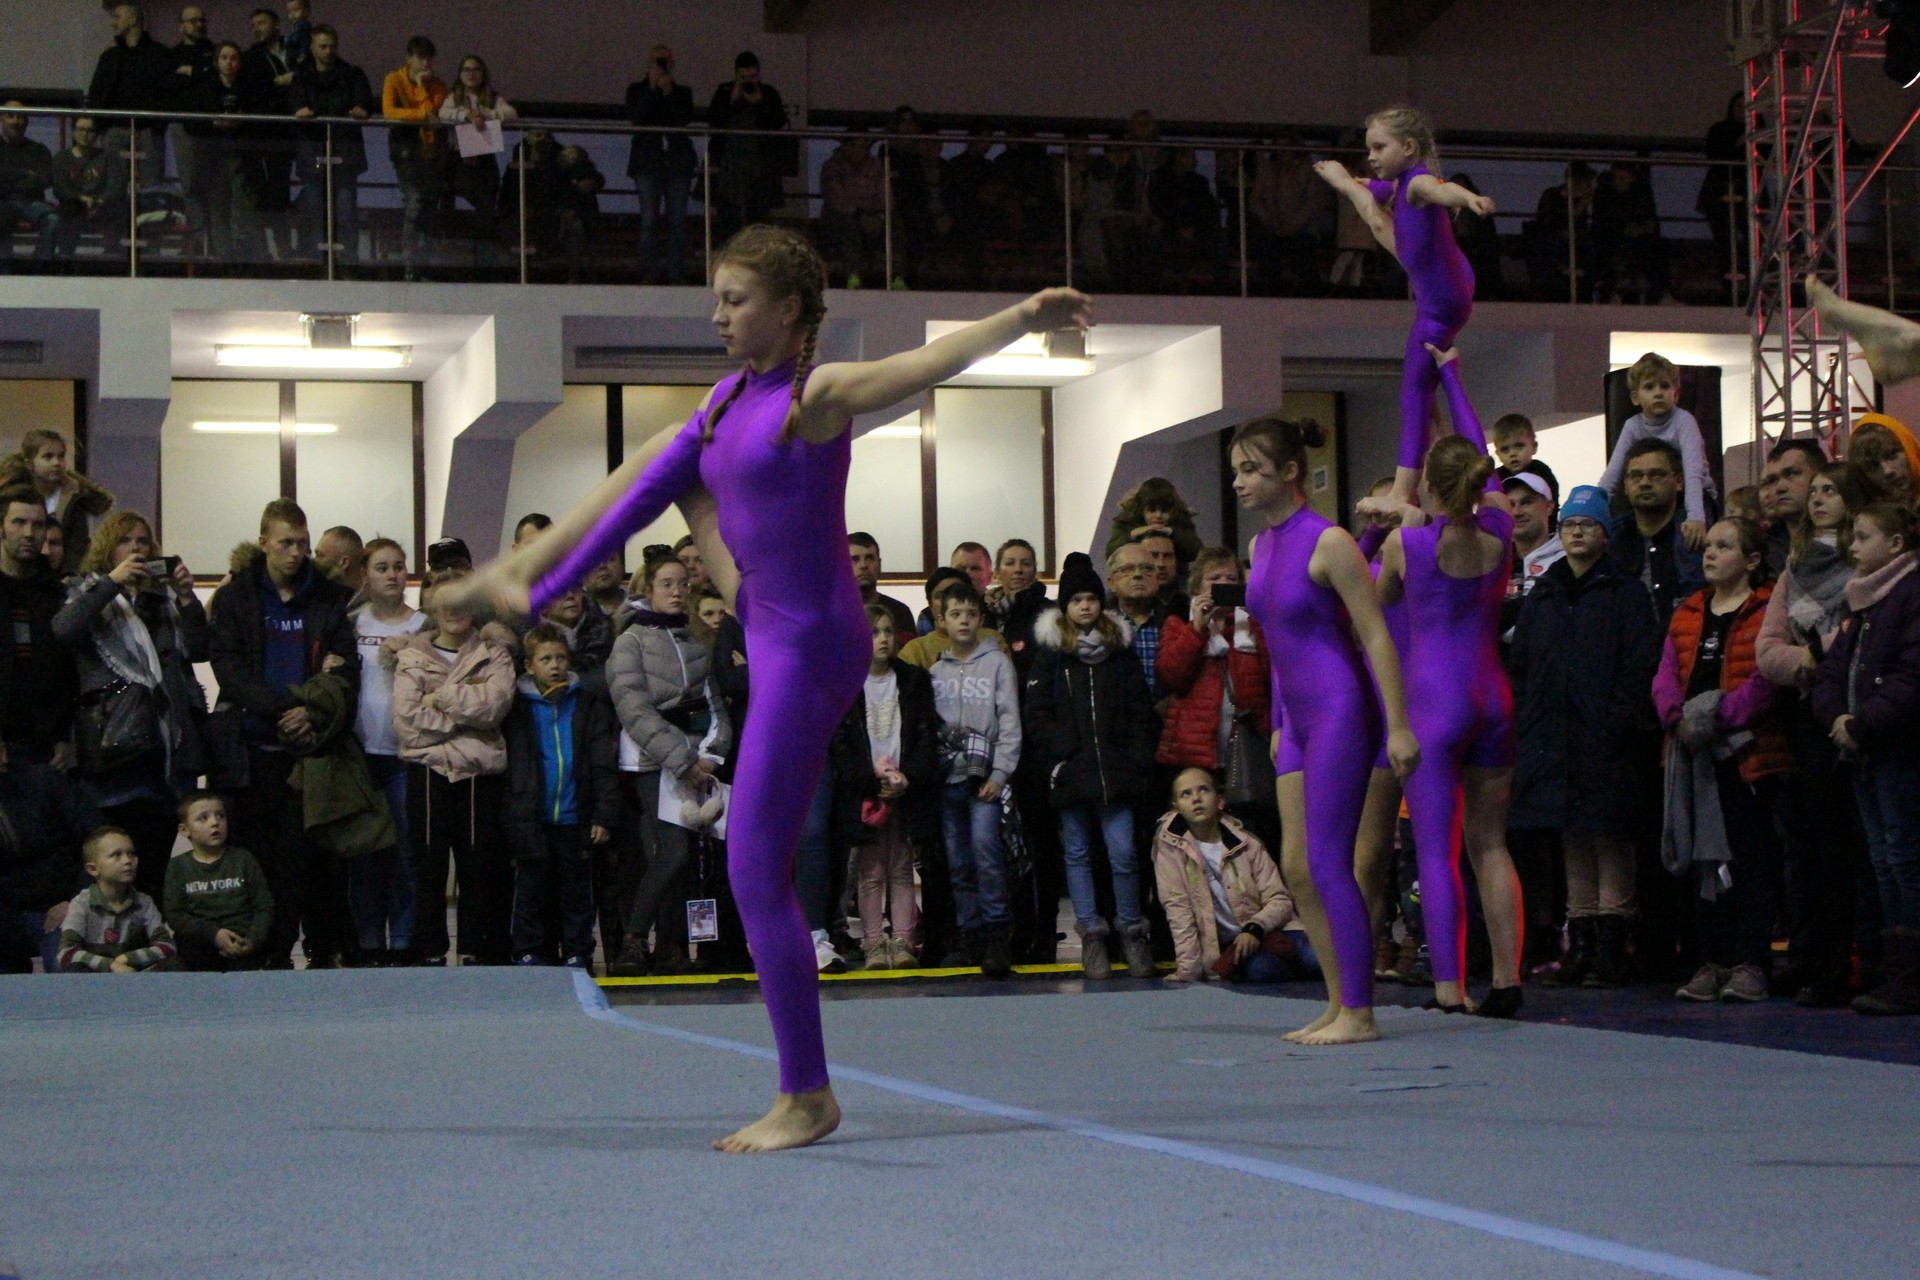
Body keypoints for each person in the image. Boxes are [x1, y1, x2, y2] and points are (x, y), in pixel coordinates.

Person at [447, 222, 1086, 1150]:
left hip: (809, 642)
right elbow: (674, 498)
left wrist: (1023, 317)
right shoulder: (726, 398)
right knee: (668, 452)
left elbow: (921, 366)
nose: (717, 315)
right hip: (761, 607)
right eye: (715, 298)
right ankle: (531, 577)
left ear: (787, 311)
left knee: (753, 867)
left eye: (734, 300)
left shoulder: (810, 398)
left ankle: (807, 1094)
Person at [1234, 415, 1419, 1045]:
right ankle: (1339, 1001)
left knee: (1328, 861)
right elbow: (1276, 640)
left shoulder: (1330, 542)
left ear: (1290, 472)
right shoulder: (1261, 545)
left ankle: (1361, 1013)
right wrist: (1279, 719)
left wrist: (1398, 725)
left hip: (1340, 708)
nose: (1239, 482)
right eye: (1236, 471)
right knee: (1296, 866)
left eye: (1251, 470)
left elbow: (1375, 636)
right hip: (1296, 717)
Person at [1373, 352, 1524, 1017]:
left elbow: (1378, 605)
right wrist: (1454, 374)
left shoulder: (1408, 547)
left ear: (1429, 489)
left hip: (1435, 703)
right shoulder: (1501, 529)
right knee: (1491, 843)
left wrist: (1384, 526)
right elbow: (1477, 453)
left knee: (1437, 849)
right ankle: (1508, 980)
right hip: (1493, 697)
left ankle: (1449, 987)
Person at [1508, 485, 1661, 988]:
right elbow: (1523, 664)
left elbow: (1639, 666)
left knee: (1609, 837)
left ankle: (1613, 943)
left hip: (1607, 738)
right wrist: (1530, 722)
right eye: (1570, 524)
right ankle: (1582, 942)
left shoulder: (1626, 594)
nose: (1577, 532)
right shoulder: (1545, 594)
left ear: (1605, 534)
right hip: (1554, 736)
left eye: (1588, 524)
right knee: (1571, 837)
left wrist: (1618, 721)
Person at [1314, 105, 1493, 512]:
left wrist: (1470, 198)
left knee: (1413, 391)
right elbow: (1376, 187)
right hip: (1447, 282)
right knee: (1372, 204)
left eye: (1380, 147)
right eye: (1369, 148)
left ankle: (1401, 492)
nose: (1372, 156)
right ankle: (1422, 465)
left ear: (1409, 147)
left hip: (1441, 302)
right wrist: (1355, 181)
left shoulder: (1418, 184)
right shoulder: (1400, 184)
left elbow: (1443, 190)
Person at [209, 499, 357, 968]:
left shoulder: (328, 599)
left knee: (308, 862)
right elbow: (228, 668)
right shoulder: (236, 598)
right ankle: (265, 954)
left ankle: (314, 951)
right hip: (253, 750)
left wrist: (313, 711)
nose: (296, 553)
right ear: (263, 543)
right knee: (258, 861)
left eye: (303, 544)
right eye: (286, 543)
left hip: (311, 750)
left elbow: (346, 670)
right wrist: (283, 708)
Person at [1756, 461, 1880, 1006]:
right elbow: (1767, 651)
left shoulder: (1869, 565)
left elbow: (1863, 633)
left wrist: (1820, 650)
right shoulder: (1794, 568)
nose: (1818, 498)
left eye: (1831, 490)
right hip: (1808, 719)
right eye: (1817, 491)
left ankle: (1866, 963)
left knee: (1862, 849)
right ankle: (1821, 961)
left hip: (1861, 717)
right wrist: (1809, 658)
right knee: (1816, 848)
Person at [1656, 517, 1792, 1004]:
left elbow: (1765, 679)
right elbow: (1665, 674)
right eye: (1708, 545)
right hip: (1694, 754)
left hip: (1746, 755)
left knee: (1750, 859)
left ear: (1752, 561)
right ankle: (1711, 960)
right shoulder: (1689, 610)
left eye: (1724, 546)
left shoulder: (1766, 610)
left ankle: (1751, 961)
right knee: (1703, 862)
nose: (1709, 553)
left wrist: (1719, 715)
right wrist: (1677, 717)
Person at [51, 510, 208, 904]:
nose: (136, 548)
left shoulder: (161, 599)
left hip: (162, 753)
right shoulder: (87, 590)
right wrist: (111, 584)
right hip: (112, 750)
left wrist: (186, 598)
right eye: (125, 541)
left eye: (142, 541)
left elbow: (199, 649)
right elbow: (63, 630)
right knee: (110, 871)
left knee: (153, 868)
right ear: (108, 548)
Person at [1025, 556, 1159, 979]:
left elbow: (1141, 711)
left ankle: (1132, 931)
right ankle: (1092, 937)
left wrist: (1133, 756)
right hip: (1071, 773)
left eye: (1091, 598)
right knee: (1078, 854)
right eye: (1076, 600)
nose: (1085, 606)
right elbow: (1037, 713)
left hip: (1117, 773)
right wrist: (1063, 753)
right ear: (1064, 606)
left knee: (1124, 853)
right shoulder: (1051, 656)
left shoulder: (1120, 653)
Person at [1814, 502, 1920, 1016]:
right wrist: (1836, 715)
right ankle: (1895, 967)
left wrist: (1860, 723)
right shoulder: (1864, 601)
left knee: (1904, 858)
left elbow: (1911, 677)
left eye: (1863, 537)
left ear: (1896, 544)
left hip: (1898, 749)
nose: (1852, 547)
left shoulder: (1909, 595)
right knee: (1883, 859)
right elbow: (1833, 671)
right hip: (1866, 752)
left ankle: (1910, 973)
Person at [603, 554, 730, 977]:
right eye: (667, 584)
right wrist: (681, 760)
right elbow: (634, 710)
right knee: (671, 854)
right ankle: (634, 941)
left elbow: (713, 705)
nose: (677, 591)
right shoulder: (630, 641)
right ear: (648, 589)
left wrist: (710, 754)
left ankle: (671, 948)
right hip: (650, 763)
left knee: (686, 859)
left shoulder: (694, 641)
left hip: (694, 762)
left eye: (683, 584)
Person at [392, 568, 515, 966]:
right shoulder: (411, 657)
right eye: (446, 602)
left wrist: (440, 698)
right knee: (428, 865)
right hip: (429, 771)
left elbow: (494, 707)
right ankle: (430, 950)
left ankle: (473, 948)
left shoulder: (494, 654)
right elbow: (407, 721)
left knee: (477, 865)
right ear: (431, 607)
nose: (454, 610)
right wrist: (467, 717)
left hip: (479, 774)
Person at [828, 603, 939, 969]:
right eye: (873, 632)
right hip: (866, 790)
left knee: (902, 866)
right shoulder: (846, 683)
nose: (883, 639)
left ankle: (904, 939)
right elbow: (841, 743)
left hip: (904, 787)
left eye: (888, 631)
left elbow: (925, 734)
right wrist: (869, 782)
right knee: (870, 869)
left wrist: (908, 778)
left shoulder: (913, 680)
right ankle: (874, 941)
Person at [504, 624, 619, 969]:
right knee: (531, 890)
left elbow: (602, 763)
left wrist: (603, 814)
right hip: (532, 818)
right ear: (529, 666)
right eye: (546, 659)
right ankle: (528, 949)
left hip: (575, 816)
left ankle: (577, 951)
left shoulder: (586, 704)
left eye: (560, 658)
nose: (555, 665)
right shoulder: (516, 708)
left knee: (576, 892)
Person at [928, 581, 1023, 976]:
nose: (964, 621)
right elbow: (933, 728)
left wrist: (1000, 773)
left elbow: (1009, 720)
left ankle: (997, 934)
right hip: (949, 778)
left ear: (981, 619)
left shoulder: (997, 662)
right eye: (956, 614)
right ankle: (970, 935)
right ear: (942, 621)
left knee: (987, 852)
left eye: (970, 614)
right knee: (958, 860)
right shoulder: (936, 671)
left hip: (986, 778)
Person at [1155, 767, 1316, 983]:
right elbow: (1178, 911)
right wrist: (1188, 971)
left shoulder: (1248, 844)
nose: (1196, 799)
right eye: (1186, 794)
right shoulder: (1169, 852)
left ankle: (1296, 961)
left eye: (1204, 790)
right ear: (1176, 807)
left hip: (1275, 930)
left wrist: (1255, 927)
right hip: (1235, 947)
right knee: (1262, 971)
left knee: (1316, 960)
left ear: (1220, 801)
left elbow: (1280, 899)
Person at [348, 538, 425, 963]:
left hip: (405, 756)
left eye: (399, 566)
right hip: (361, 756)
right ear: (365, 575)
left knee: (405, 854)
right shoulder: (352, 624)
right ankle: (368, 942)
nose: (393, 575)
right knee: (364, 855)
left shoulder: (424, 624)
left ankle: (404, 942)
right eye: (382, 567)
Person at [86, 4, 177, 258]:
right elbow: (97, 93)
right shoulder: (110, 56)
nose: (113, 22)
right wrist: (103, 127)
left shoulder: (159, 55)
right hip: (116, 130)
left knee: (151, 191)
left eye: (117, 16)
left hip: (147, 131)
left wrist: (156, 126)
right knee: (113, 190)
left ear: (133, 18)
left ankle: (149, 253)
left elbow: (168, 93)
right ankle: (113, 250)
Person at [1598, 353, 1716, 547]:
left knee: (1686, 540)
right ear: (1636, 397)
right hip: (1656, 496)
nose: (1658, 393)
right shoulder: (1632, 426)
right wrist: (1592, 510)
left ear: (1675, 395)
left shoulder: (1684, 422)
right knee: (1618, 534)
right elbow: (1613, 473)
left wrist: (1695, 516)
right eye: (1649, 387)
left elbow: (1693, 472)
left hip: (1695, 495)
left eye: (1665, 386)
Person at [0, 487, 77, 769]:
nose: (29, 533)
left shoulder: (56, 595)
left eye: (38, 524)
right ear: (2, 528)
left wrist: (64, 734)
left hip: (45, 749)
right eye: (19, 522)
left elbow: (66, 671)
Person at [289, 24, 373, 266]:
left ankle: (347, 263)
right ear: (312, 48)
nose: (328, 51)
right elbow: (294, 103)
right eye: (323, 46)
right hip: (312, 153)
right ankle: (315, 262)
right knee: (313, 209)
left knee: (345, 211)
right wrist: (300, 110)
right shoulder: (302, 76)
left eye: (332, 46)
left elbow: (364, 102)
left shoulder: (351, 75)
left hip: (344, 154)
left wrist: (360, 109)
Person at [165, 790, 275, 971]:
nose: (215, 822)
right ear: (184, 830)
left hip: (241, 941)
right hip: (200, 943)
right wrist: (214, 935)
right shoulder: (178, 866)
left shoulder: (243, 859)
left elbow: (264, 906)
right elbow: (175, 915)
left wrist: (252, 941)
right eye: (203, 818)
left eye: (220, 816)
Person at [1608, 438, 1706, 626]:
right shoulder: (1612, 540)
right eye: (1636, 476)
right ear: (1626, 486)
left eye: (1656, 475)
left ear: (1679, 481)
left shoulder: (1697, 537)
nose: (1645, 483)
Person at [57, 826, 178, 973]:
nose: (127, 861)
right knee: (74, 968)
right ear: (93, 869)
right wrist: (111, 965)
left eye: (131, 854)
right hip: (95, 978)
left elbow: (167, 947)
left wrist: (127, 959)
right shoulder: (81, 903)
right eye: (116, 855)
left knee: (174, 964)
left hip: (133, 975)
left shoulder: (144, 902)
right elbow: (66, 953)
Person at [1, 428, 115, 577]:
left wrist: (69, 576)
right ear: (30, 463)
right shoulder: (14, 496)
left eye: (61, 456)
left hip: (60, 575)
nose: (56, 463)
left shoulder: (74, 497)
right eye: (47, 457)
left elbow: (77, 546)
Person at [626, 44, 696, 284]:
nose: (662, 64)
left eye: (665, 60)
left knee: (678, 221)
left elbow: (683, 119)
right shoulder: (636, 90)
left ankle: (675, 273)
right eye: (657, 60)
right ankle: (650, 272)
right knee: (649, 219)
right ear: (649, 63)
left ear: (672, 63)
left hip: (677, 161)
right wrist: (652, 88)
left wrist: (668, 92)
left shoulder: (683, 92)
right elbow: (637, 117)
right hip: (648, 161)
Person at [438, 55, 516, 263]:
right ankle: (449, 254)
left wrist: (486, 115)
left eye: (476, 69)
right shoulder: (454, 97)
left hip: (484, 158)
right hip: (458, 158)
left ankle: (484, 260)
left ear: (483, 73)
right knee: (451, 200)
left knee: (487, 205)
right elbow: (443, 113)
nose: (471, 74)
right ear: (460, 74)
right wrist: (467, 115)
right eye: (467, 69)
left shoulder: (492, 97)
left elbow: (511, 114)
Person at [381, 36, 447, 277]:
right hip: (405, 151)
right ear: (409, 58)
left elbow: (432, 113)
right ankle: (410, 264)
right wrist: (420, 114)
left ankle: (423, 264)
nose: (426, 63)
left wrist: (420, 88)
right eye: (420, 57)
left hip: (431, 152)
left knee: (428, 208)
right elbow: (389, 112)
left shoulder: (438, 86)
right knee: (414, 203)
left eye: (429, 58)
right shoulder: (394, 79)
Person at [706, 53, 789, 239]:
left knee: (758, 217)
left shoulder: (769, 93)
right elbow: (714, 120)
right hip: (729, 165)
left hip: (759, 164)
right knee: (728, 217)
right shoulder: (725, 91)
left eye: (752, 77)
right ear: (736, 75)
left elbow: (778, 122)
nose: (748, 82)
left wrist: (761, 103)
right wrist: (732, 101)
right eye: (743, 78)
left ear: (759, 74)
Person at [0, 103, 58, 265]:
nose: (16, 121)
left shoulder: (39, 150)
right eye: (11, 116)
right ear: (1, 118)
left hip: (32, 204)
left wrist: (8, 178)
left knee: (53, 220)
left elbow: (46, 179)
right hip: (2, 204)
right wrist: (25, 173)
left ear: (27, 121)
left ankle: (40, 270)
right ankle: (4, 271)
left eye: (20, 117)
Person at [1104, 476, 1203, 568]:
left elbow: (1197, 553)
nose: (1158, 515)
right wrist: (1133, 535)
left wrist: (1172, 532)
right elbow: (1110, 553)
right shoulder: (1126, 521)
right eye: (1152, 510)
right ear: (1141, 510)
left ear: (1173, 510)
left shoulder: (1181, 520)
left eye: (1164, 510)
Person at [52, 117, 112, 260]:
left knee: (117, 212)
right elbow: (59, 188)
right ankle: (65, 259)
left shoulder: (106, 158)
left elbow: (115, 185)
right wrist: (81, 198)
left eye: (90, 130)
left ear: (96, 134)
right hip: (73, 206)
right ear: (73, 132)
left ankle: (112, 262)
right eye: (81, 129)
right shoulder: (62, 157)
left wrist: (100, 200)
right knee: (68, 210)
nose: (85, 134)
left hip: (101, 206)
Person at [846, 532, 916, 640]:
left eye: (869, 558)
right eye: (855, 559)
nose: (863, 565)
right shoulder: (833, 613)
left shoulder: (900, 612)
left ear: (879, 564)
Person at [1489, 412, 1560, 500]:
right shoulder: (1495, 478)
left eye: (1519, 446)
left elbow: (1553, 501)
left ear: (1534, 447)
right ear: (1498, 454)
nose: (1512, 454)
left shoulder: (1542, 471)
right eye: (1505, 450)